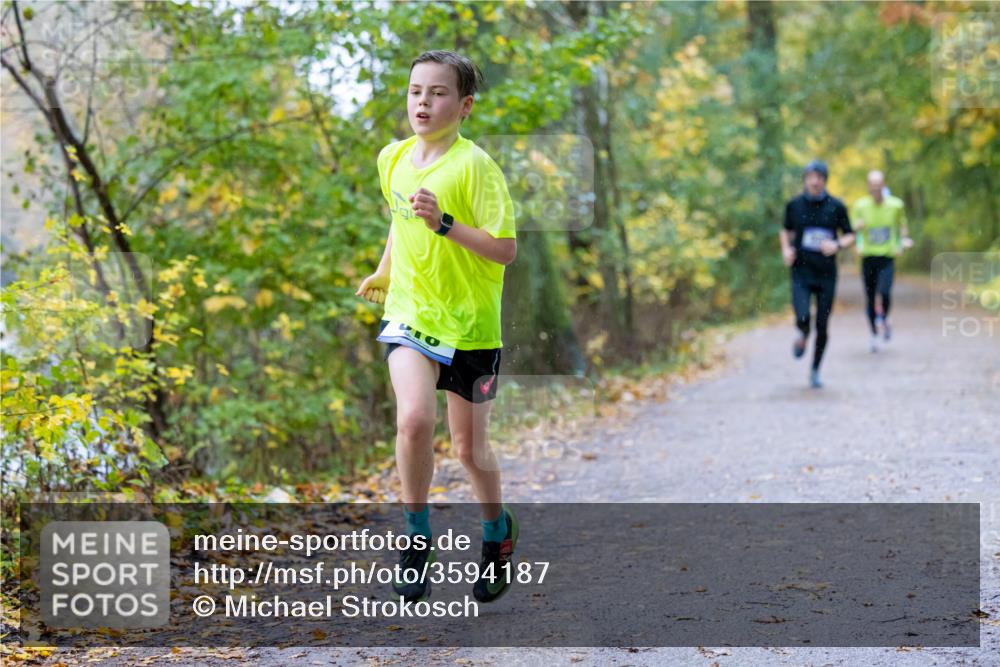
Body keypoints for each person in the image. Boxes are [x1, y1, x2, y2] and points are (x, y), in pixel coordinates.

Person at [356, 50, 519, 604]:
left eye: (438, 93)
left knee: (471, 452)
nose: (422, 102)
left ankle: (497, 534)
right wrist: (385, 269)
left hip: (471, 328)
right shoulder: (393, 158)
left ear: (465, 105)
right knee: (414, 421)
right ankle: (416, 536)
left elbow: (505, 250)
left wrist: (446, 224)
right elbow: (401, 223)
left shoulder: (476, 167)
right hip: (409, 313)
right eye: (415, 91)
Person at [779, 160, 855, 388]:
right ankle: (802, 334)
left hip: (826, 274)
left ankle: (815, 370)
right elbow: (786, 230)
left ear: (824, 180)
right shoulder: (794, 205)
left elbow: (850, 235)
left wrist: (837, 245)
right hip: (801, 271)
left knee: (823, 324)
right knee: (803, 316)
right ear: (805, 179)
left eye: (818, 177)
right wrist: (786, 249)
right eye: (810, 177)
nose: (814, 181)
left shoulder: (836, 206)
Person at [852, 170, 913, 352]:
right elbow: (852, 228)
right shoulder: (860, 206)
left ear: (883, 184)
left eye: (879, 184)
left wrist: (903, 240)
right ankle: (873, 334)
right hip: (868, 257)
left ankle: (884, 318)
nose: (876, 188)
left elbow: (902, 225)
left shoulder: (896, 205)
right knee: (870, 297)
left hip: (887, 257)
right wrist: (858, 236)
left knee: (885, 292)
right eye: (872, 184)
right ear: (868, 186)